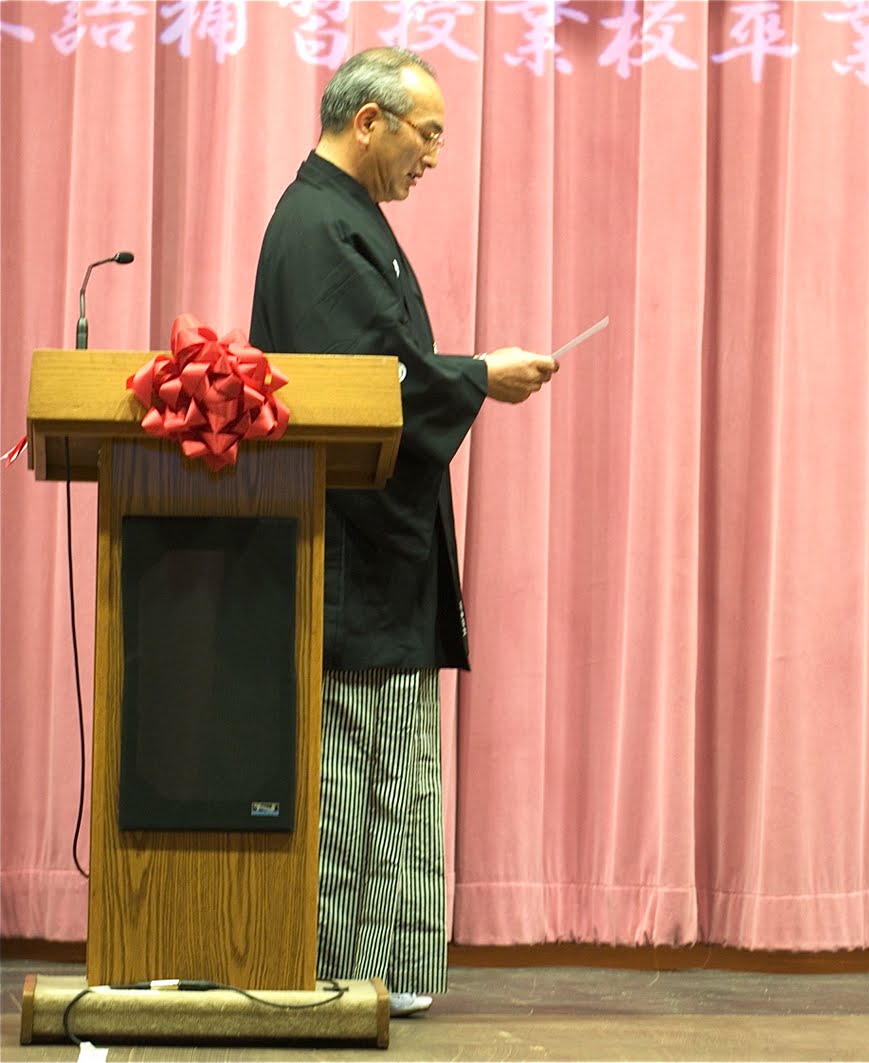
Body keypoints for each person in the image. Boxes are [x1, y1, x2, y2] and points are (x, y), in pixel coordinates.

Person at [249, 47, 558, 1018]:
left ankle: (393, 960)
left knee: (397, 760)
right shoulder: (314, 226)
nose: (433, 155)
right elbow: (359, 380)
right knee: (355, 760)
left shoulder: (350, 220)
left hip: (386, 539)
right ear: (370, 121)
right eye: (426, 133)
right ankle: (345, 961)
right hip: (347, 545)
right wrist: (476, 376)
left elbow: (384, 369)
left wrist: (462, 375)